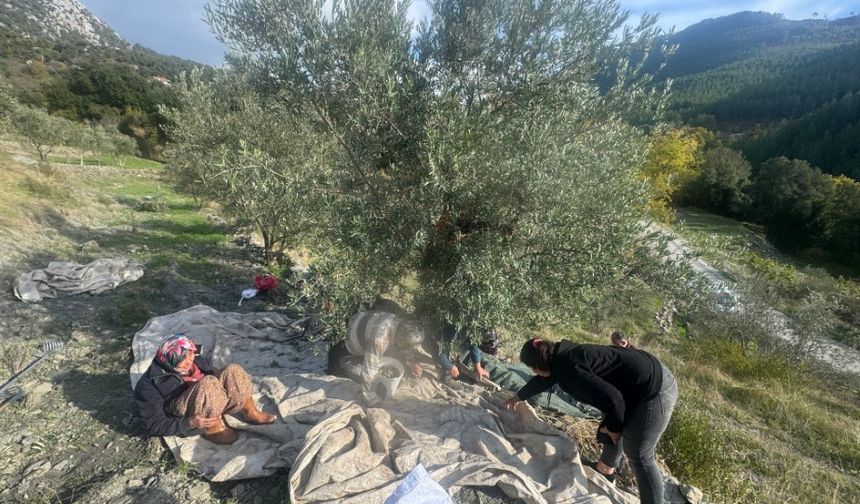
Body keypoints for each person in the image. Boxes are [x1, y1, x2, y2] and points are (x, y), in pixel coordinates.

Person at [505, 338, 677, 504]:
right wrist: (517, 397)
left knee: (639, 454)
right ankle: (605, 470)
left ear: (537, 366)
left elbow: (615, 400)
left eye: (532, 368)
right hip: (639, 379)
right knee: (610, 419)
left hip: (655, 390)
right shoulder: (559, 357)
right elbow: (543, 380)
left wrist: (614, 428)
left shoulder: (571, 370)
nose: (534, 373)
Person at [134, 335, 276, 445]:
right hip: (187, 411)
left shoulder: (194, 358)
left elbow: (213, 374)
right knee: (208, 383)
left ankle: (250, 412)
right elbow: (154, 424)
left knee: (233, 370)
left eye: (190, 354)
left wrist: (228, 385)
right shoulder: (148, 385)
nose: (189, 361)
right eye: (183, 360)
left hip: (207, 396)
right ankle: (213, 429)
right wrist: (188, 423)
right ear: (169, 363)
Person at [330, 302, 429, 403]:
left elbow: (403, 347)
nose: (408, 348)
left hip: (357, 327)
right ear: (401, 340)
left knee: (388, 354)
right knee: (359, 374)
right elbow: (368, 373)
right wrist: (372, 399)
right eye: (406, 345)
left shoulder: (397, 321)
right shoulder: (378, 340)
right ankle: (340, 367)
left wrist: (411, 362)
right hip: (345, 347)